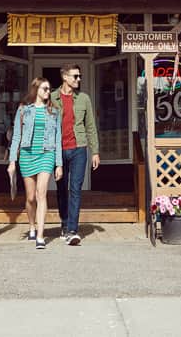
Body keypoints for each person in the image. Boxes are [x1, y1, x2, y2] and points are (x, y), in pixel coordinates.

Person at [7, 77, 63, 249]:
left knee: (41, 194)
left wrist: (58, 163)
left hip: (47, 154)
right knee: (30, 198)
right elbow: (16, 135)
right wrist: (12, 161)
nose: (48, 92)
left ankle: (40, 235)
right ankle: (31, 225)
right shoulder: (24, 110)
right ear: (36, 89)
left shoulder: (54, 111)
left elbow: (58, 138)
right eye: (45, 89)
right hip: (26, 155)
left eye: (49, 89)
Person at [51, 63, 100, 246]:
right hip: (58, 151)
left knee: (76, 189)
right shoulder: (52, 98)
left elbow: (90, 126)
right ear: (65, 77)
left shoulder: (84, 99)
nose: (79, 79)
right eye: (75, 76)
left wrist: (95, 151)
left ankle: (72, 229)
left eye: (79, 76)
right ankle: (64, 222)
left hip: (79, 149)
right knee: (62, 189)